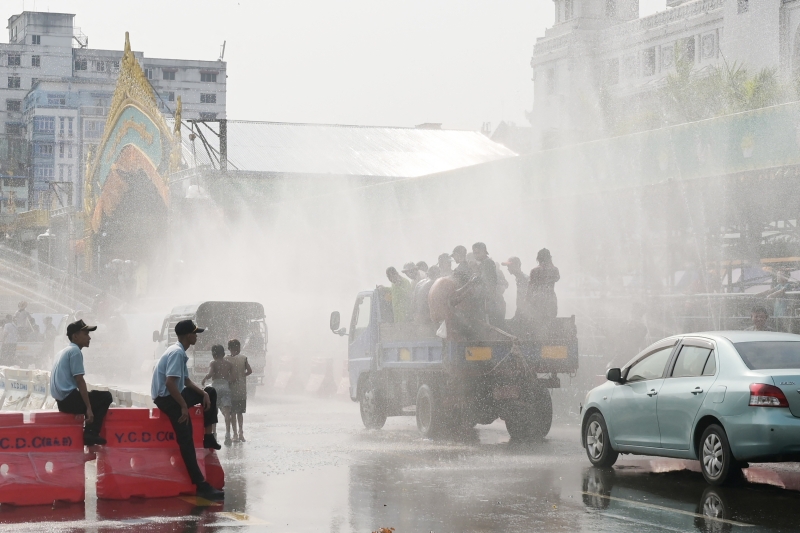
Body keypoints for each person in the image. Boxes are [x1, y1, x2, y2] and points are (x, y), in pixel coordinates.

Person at [151, 319, 223, 500]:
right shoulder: (176, 353)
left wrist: (203, 394)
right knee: (186, 439)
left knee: (210, 392)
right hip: (166, 399)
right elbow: (170, 382)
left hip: (173, 394)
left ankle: (208, 437)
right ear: (187, 335)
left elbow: (185, 381)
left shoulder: (180, 351)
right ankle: (201, 485)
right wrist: (183, 406)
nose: (197, 336)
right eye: (195, 333)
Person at [50, 319, 112, 446]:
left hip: (61, 400)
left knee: (94, 396)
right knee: (105, 397)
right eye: (86, 334)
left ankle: (88, 431)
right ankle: (91, 433)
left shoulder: (63, 351)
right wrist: (88, 408)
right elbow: (80, 381)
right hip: (68, 401)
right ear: (75, 336)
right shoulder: (75, 352)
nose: (89, 338)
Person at [202, 345, 235, 446]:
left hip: (215, 388)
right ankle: (228, 435)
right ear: (223, 353)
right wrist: (226, 383)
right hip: (225, 387)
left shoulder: (213, 363)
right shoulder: (229, 364)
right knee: (227, 413)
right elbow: (233, 378)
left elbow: (211, 374)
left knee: (213, 413)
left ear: (213, 353)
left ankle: (214, 434)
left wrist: (205, 378)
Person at [226, 339, 252, 443]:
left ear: (229, 348)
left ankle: (235, 435)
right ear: (238, 348)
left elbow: (225, 374)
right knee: (240, 413)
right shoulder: (244, 358)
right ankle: (241, 433)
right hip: (241, 390)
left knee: (232, 413)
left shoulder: (226, 359)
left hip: (231, 390)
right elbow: (250, 371)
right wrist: (242, 376)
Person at [528, 248, 560, 321]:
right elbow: (557, 278)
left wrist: (527, 301)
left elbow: (530, 288)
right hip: (551, 299)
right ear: (549, 258)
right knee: (550, 321)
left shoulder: (534, 270)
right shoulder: (554, 270)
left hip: (538, 299)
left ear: (538, 258)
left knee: (539, 322)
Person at [472, 242, 499, 324]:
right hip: (485, 299)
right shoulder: (483, 263)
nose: (476, 255)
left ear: (484, 251)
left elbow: (489, 283)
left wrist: (477, 279)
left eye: (478, 253)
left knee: (488, 325)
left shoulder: (488, 262)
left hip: (487, 301)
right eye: (474, 253)